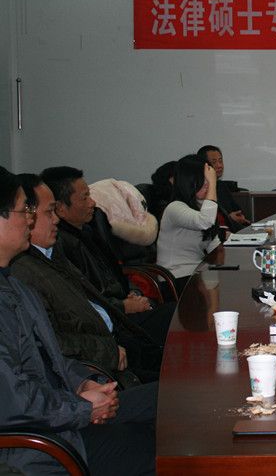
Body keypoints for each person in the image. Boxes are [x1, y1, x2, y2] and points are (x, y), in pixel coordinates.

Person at [0, 171, 156, 475]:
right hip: (36, 447)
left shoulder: (14, 285)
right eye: (24, 210)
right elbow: (11, 402)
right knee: (158, 449)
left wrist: (84, 382)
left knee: (170, 405)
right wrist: (82, 408)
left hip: (61, 416)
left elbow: (50, 356)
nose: (30, 219)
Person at [10, 174, 161, 382]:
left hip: (114, 335)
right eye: (49, 211)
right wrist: (109, 349)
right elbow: (51, 342)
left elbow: (95, 297)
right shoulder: (22, 272)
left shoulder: (55, 250)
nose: (55, 219)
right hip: (98, 365)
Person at [40, 166, 175, 345]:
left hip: (121, 308)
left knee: (180, 313)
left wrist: (132, 293)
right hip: (112, 323)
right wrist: (123, 306)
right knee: (177, 317)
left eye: (90, 195)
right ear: (61, 208)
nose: (92, 203)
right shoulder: (60, 246)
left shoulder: (89, 229)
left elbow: (116, 272)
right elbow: (83, 301)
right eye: (85, 197)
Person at [157, 154, 224, 294]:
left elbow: (214, 245)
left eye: (209, 180)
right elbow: (204, 222)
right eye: (204, 180)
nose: (207, 184)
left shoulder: (200, 206)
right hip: (176, 278)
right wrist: (213, 184)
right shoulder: (174, 208)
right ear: (188, 181)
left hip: (197, 273)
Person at [197, 145, 250, 231]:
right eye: (214, 162)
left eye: (220, 161)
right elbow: (205, 221)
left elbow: (237, 210)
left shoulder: (221, 186)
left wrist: (240, 217)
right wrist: (229, 218)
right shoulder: (199, 190)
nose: (219, 166)